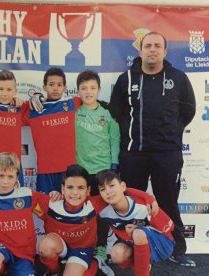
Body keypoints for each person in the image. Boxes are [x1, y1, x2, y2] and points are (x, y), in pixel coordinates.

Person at [108, 31, 196, 266]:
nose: (152, 50)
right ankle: (131, 247)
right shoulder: (126, 79)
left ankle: (177, 249)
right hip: (133, 153)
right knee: (132, 204)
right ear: (140, 51)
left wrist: (169, 133)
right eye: (148, 46)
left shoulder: (178, 78)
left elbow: (189, 112)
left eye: (158, 45)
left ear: (165, 51)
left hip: (167, 153)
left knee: (168, 201)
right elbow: (116, 111)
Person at [37, 164, 155, 276]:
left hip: (81, 251)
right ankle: (55, 272)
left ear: (88, 190)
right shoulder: (52, 202)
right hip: (60, 248)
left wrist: (148, 198)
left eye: (81, 188)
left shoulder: (94, 204)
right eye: (70, 187)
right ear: (63, 188)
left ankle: (95, 266)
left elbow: (122, 192)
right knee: (45, 246)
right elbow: (24, 196)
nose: (75, 192)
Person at [0, 152, 61, 275]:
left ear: (17, 177)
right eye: (1, 175)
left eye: (10, 176)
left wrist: (57, 195)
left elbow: (53, 208)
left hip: (24, 253)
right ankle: (1, 270)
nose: (5, 181)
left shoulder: (27, 195)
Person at [75, 70, 120, 263]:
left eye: (92, 88)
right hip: (81, 171)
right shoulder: (74, 112)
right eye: (84, 88)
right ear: (78, 91)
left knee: (101, 213)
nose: (88, 92)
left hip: (103, 170)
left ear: (99, 90)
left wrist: (114, 165)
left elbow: (115, 139)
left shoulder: (108, 112)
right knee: (82, 212)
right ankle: (81, 247)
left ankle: (101, 247)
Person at [96, 169, 175, 276]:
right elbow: (79, 199)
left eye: (112, 186)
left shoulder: (144, 205)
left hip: (163, 243)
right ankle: (143, 265)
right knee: (116, 254)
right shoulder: (102, 208)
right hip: (133, 243)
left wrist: (142, 227)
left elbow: (169, 227)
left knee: (138, 233)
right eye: (103, 189)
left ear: (123, 187)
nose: (108, 191)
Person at [28, 67, 81, 193]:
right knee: (45, 208)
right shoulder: (34, 108)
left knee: (67, 206)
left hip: (67, 169)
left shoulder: (72, 103)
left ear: (65, 87)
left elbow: (91, 99)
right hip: (45, 169)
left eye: (59, 85)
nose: (56, 88)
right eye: (51, 85)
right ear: (44, 87)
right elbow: (11, 106)